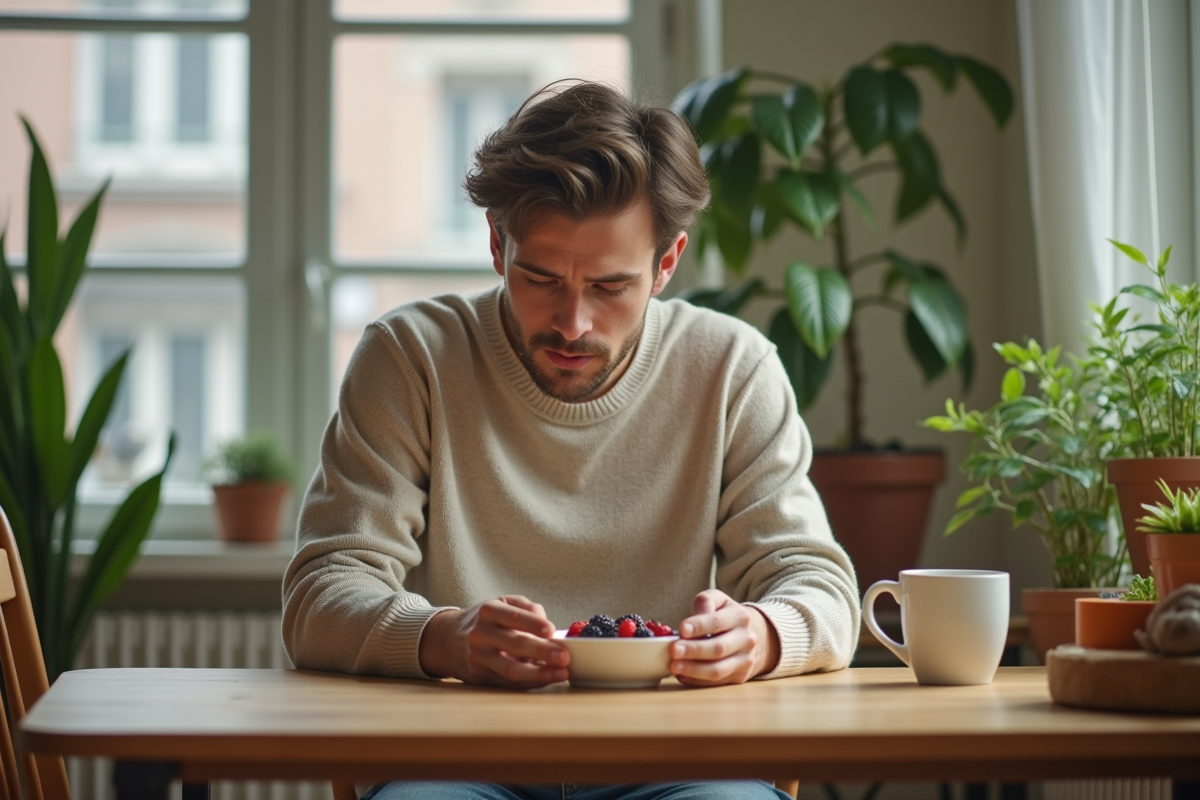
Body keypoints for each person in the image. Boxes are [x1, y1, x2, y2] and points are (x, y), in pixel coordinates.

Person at [282, 80, 859, 800]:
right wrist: (444, 638)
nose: (572, 324)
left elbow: (823, 588)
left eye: (611, 287)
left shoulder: (732, 369)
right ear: (497, 244)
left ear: (667, 263)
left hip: (676, 764)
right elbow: (320, 595)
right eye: (541, 277)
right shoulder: (412, 357)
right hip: (458, 761)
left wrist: (763, 633)